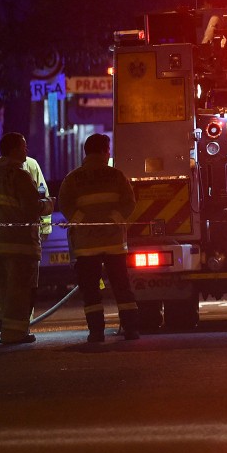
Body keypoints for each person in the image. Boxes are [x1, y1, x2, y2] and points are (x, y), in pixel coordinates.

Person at [57, 133, 140, 343]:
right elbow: (129, 201)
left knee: (91, 291)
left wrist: (83, 220)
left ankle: (96, 333)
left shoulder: (73, 178)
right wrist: (114, 219)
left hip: (86, 245)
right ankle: (130, 329)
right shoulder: (116, 175)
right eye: (108, 150)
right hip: (114, 243)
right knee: (122, 288)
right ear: (104, 152)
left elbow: (65, 203)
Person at [0, 132, 51, 344]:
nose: (26, 151)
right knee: (23, 291)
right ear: (14, 149)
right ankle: (17, 333)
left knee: (6, 291)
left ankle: (8, 332)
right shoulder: (21, 176)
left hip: (0, 245)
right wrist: (49, 203)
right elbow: (32, 208)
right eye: (23, 147)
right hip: (21, 245)